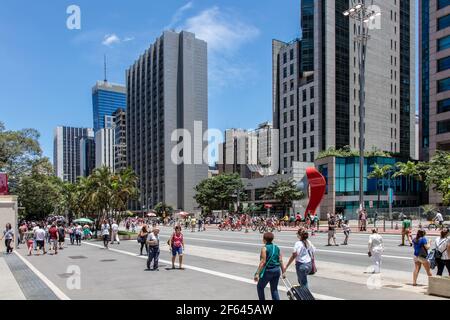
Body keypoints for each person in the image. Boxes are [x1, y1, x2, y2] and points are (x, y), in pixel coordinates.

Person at [254, 232, 285, 301]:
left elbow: (263, 262)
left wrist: (257, 273)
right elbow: (280, 260)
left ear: (264, 239)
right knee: (274, 289)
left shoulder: (264, 248)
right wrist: (283, 272)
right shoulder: (277, 248)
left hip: (268, 271)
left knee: (260, 287)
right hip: (277, 270)